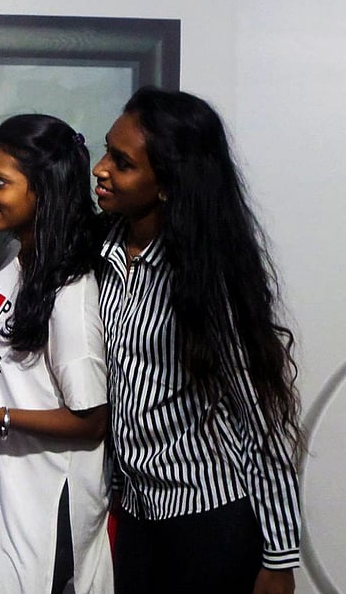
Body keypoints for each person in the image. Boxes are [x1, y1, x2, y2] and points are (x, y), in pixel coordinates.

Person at [93, 87, 303, 594]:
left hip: (208, 518)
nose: (101, 169)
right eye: (106, 152)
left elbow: (260, 419)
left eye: (122, 163)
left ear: (168, 184)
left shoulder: (207, 277)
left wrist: (279, 559)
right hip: (136, 514)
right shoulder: (102, 254)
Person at [0, 114, 113, 593]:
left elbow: (91, 419)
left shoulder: (73, 291)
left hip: (45, 512)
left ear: (44, 191)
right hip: (1, 499)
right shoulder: (14, 260)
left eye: (0, 181)